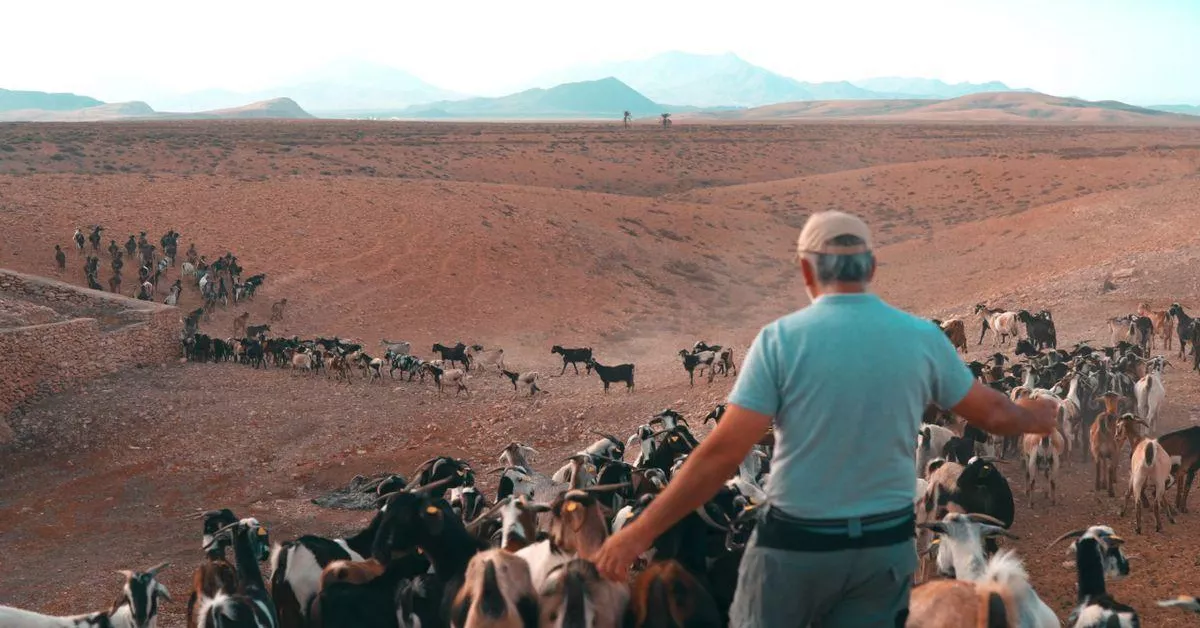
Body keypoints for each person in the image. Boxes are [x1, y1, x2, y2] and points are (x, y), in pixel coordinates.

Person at [592, 210, 1058, 627]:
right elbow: (995, 414)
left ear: (805, 270)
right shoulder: (921, 339)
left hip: (796, 546)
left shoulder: (780, 342)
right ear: (871, 268)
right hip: (881, 551)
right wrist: (1035, 415)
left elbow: (721, 454)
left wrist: (640, 532)